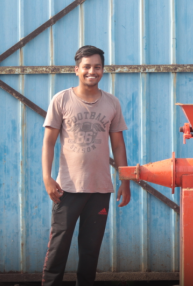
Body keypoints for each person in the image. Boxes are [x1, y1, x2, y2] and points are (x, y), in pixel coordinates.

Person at [41, 45, 131, 286]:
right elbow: (48, 142)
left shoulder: (112, 103)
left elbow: (119, 146)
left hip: (100, 189)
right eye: (87, 67)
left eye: (97, 67)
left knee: (90, 251)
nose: (93, 71)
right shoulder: (62, 99)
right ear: (77, 70)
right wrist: (48, 178)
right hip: (67, 188)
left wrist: (125, 180)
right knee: (59, 247)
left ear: (103, 70)